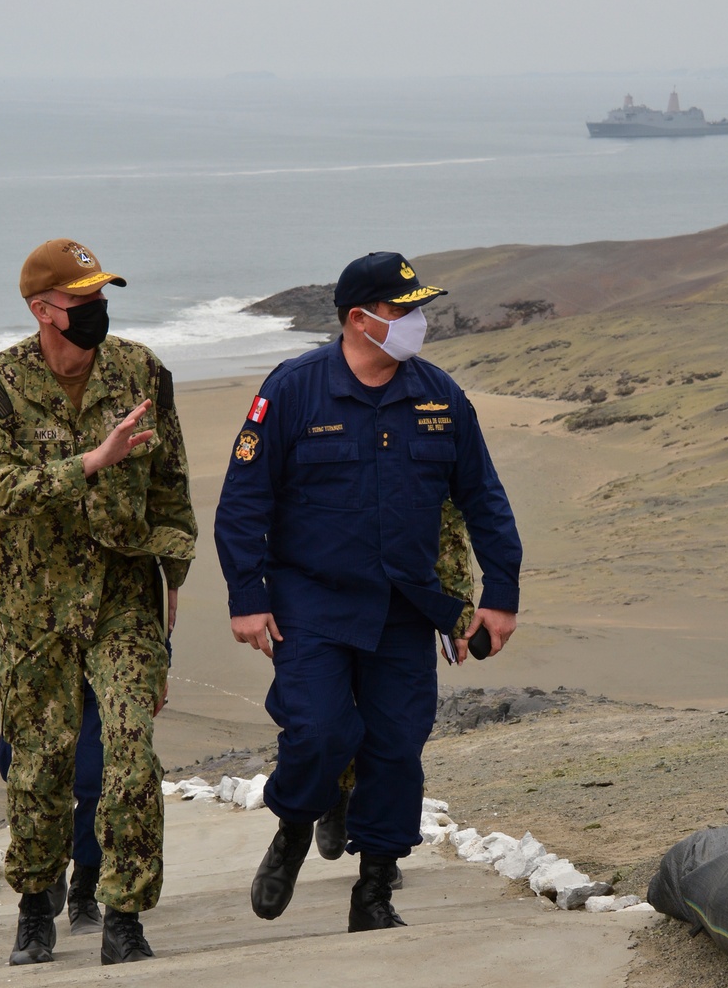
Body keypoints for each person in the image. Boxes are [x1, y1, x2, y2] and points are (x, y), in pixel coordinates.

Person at [214, 251, 521, 932]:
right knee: (321, 730)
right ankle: (295, 821)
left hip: (404, 607)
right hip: (310, 603)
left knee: (395, 746)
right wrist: (246, 594)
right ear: (360, 319)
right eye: (403, 309)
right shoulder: (293, 391)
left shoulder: (440, 396)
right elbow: (243, 501)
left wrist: (500, 593)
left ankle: (374, 889)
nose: (418, 321)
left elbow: (483, 498)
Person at [0, 238, 196, 966]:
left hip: (124, 593)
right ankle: (36, 903)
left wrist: (174, 576)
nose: (97, 310)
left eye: (102, 297)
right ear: (43, 310)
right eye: (81, 301)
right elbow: (0, 491)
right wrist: (91, 463)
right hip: (33, 605)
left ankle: (125, 913)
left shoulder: (140, 371)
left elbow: (172, 487)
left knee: (130, 753)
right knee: (40, 762)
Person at [314, 497, 475, 877]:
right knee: (331, 717)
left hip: (401, 604)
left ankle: (379, 850)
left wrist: (455, 618)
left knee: (395, 731)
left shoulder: (425, 444)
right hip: (328, 598)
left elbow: (448, 532)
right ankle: (336, 793)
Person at [0, 517, 106, 935]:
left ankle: (86, 886)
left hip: (97, 654)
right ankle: (46, 867)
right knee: (22, 768)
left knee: (98, 774)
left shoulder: (110, 491)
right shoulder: (16, 497)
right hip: (34, 659)